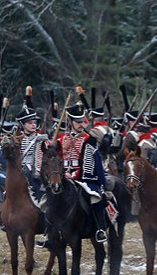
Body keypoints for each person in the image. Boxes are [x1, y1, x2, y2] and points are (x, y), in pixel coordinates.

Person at [57, 102, 108, 242]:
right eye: (77, 121)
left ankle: (99, 228)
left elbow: (88, 163)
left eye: (82, 121)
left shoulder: (89, 139)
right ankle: (51, 232)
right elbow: (57, 159)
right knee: (49, 197)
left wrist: (73, 175)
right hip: (62, 176)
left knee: (94, 196)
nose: (80, 124)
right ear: (70, 122)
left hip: (84, 178)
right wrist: (62, 174)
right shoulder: (62, 139)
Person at [16, 87, 48, 202]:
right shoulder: (16, 139)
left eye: (34, 123)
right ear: (22, 125)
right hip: (18, 170)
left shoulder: (40, 139)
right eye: (30, 123)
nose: (33, 125)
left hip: (37, 173)